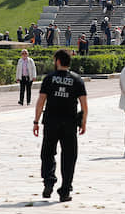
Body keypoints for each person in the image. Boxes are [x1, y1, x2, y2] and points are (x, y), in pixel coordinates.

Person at [33, 49, 88, 202]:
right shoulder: (77, 79)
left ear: (57, 61)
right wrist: (83, 121)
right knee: (69, 156)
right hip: (70, 123)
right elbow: (84, 104)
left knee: (48, 153)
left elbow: (41, 101)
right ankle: (65, 190)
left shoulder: (49, 79)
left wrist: (36, 121)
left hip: (51, 121)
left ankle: (49, 180)